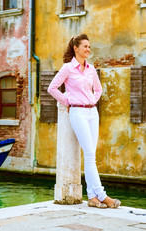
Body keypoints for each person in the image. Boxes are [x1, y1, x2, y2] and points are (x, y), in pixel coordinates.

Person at [48, 33, 121, 209]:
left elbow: (98, 88)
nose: (88, 49)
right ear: (76, 48)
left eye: (89, 46)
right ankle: (103, 196)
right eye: (85, 46)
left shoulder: (91, 68)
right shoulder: (67, 68)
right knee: (89, 156)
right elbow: (52, 88)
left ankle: (92, 198)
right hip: (78, 113)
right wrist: (68, 101)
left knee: (91, 157)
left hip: (92, 113)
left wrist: (93, 100)